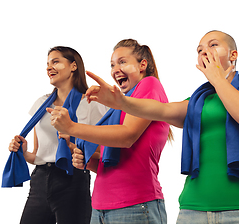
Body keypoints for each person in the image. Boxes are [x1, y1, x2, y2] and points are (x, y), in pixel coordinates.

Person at [85, 31, 239, 224]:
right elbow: (161, 110)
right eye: (199, 49)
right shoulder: (197, 102)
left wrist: (218, 79)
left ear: (233, 55)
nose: (205, 52)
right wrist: (122, 103)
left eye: (213, 45)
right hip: (192, 210)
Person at [47, 39, 171, 224]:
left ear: (142, 65)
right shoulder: (119, 105)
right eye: (112, 65)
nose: (115, 69)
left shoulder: (148, 85)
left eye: (123, 62)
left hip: (136, 205)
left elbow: (127, 136)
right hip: (100, 206)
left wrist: (72, 127)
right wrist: (87, 159)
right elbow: (112, 161)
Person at [8, 46, 107, 224]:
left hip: (73, 180)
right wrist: (23, 152)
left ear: (73, 66)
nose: (49, 68)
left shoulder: (91, 103)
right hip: (39, 180)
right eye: (47, 64)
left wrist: (73, 146)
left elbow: (101, 153)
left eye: (56, 62)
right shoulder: (41, 104)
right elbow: (38, 153)